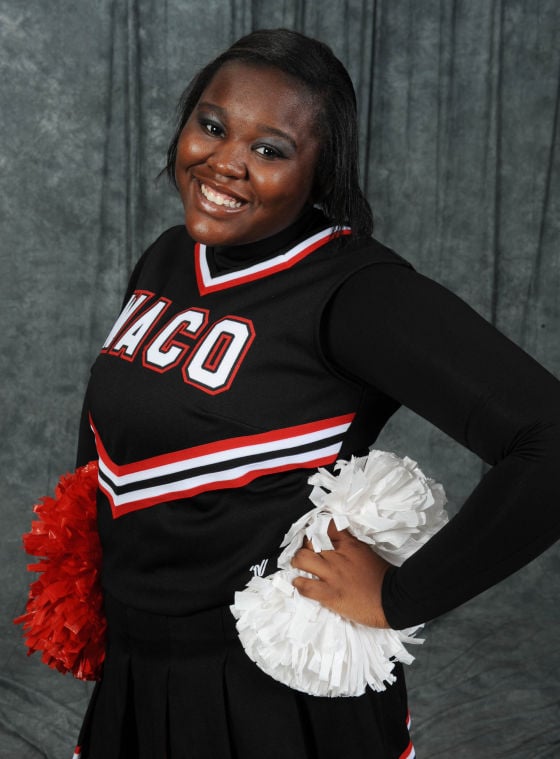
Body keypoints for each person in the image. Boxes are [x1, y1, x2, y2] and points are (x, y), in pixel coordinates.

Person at [73, 27, 560, 759]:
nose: (225, 163)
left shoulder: (355, 291)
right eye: (211, 125)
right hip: (138, 667)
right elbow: (114, 432)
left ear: (319, 171)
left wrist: (401, 596)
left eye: (270, 149)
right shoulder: (170, 256)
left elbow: (548, 437)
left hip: (270, 690)